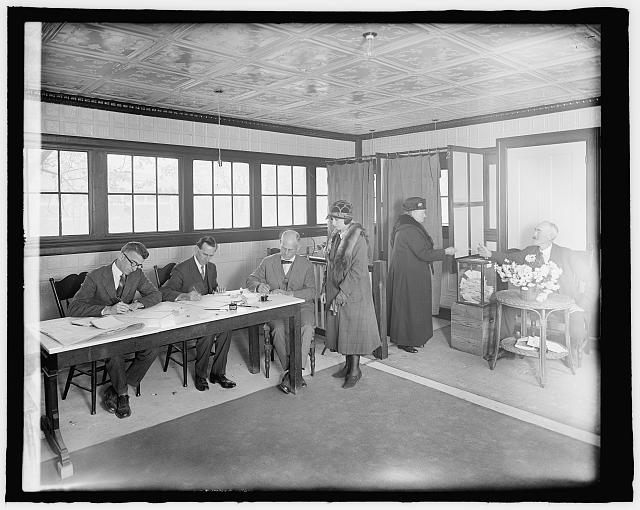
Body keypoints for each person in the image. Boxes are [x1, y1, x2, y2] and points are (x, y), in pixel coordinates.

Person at [68, 242, 161, 419]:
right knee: (115, 351)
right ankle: (122, 395)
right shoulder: (95, 276)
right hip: (100, 331)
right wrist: (106, 310)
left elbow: (156, 295)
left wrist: (138, 304)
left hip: (126, 327)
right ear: (121, 256)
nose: (135, 269)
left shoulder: (137, 274)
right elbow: (74, 308)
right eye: (133, 263)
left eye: (139, 265)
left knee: (153, 347)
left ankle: (116, 387)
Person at [477, 221, 597, 353]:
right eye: (535, 230)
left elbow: (593, 279)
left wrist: (582, 304)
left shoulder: (566, 254)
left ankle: (573, 353)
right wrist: (490, 254)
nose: (534, 234)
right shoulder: (530, 251)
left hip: (560, 304)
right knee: (507, 309)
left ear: (549, 236)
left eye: (538, 231)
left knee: (577, 321)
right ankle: (503, 348)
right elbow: (509, 258)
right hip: (532, 300)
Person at [159, 236, 235, 392]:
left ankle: (218, 373)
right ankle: (200, 375)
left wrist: (217, 291)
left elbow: (211, 289)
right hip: (186, 317)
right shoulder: (182, 268)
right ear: (196, 250)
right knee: (207, 333)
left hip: (207, 313)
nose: (207, 259)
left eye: (211, 255)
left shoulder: (212, 268)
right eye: (204, 254)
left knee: (226, 329)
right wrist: (186, 296)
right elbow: (164, 292)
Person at [246, 230, 316, 394]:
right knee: (277, 329)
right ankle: (292, 372)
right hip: (276, 309)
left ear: (297, 248)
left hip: (302, 307)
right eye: (283, 248)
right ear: (280, 244)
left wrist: (292, 294)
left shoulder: (306, 265)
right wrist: (258, 286)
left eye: (290, 250)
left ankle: (292, 373)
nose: (285, 252)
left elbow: (312, 292)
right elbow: (251, 279)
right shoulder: (268, 261)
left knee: (306, 327)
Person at [387, 197, 456, 353]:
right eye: (422, 212)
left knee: (410, 307)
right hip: (411, 276)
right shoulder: (410, 230)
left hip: (409, 273)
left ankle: (411, 338)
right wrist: (446, 252)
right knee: (411, 308)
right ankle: (406, 340)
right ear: (413, 212)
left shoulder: (403, 226)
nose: (425, 215)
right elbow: (424, 253)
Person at [324, 200, 381, 389]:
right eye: (332, 218)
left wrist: (343, 292)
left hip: (353, 292)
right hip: (338, 290)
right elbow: (331, 266)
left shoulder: (359, 239)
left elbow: (358, 271)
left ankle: (355, 371)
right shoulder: (336, 236)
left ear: (346, 220)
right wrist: (329, 290)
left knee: (353, 331)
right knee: (344, 330)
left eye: (335, 219)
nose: (332, 222)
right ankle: (348, 366)